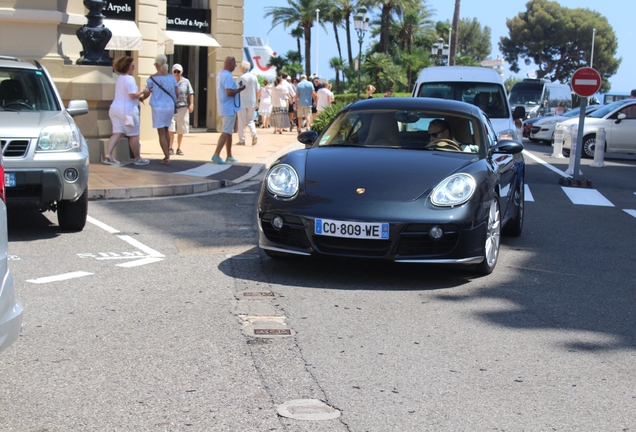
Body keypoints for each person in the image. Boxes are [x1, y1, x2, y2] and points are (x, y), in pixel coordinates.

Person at [103, 56, 149, 166]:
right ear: (127, 67)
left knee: (117, 132)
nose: (134, 68)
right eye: (132, 66)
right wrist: (143, 90)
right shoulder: (130, 79)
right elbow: (132, 95)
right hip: (128, 111)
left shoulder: (119, 78)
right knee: (133, 135)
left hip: (115, 109)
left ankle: (108, 155)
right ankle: (137, 158)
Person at [139, 54, 178, 165]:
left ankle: (167, 157)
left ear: (157, 65)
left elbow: (147, 92)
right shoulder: (171, 77)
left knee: (161, 132)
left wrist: (142, 98)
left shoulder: (152, 78)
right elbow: (176, 93)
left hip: (157, 107)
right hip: (170, 106)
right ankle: (168, 154)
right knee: (167, 130)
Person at [211, 56, 245, 164]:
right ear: (229, 63)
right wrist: (239, 90)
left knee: (229, 131)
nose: (235, 66)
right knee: (226, 131)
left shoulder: (220, 75)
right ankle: (216, 154)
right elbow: (229, 92)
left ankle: (229, 155)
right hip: (229, 108)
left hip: (224, 107)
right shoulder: (228, 76)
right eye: (234, 64)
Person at [168, 63, 194, 156]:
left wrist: (191, 104)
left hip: (183, 108)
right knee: (171, 129)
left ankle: (179, 148)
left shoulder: (186, 82)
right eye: (175, 71)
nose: (176, 73)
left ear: (181, 72)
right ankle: (170, 147)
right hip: (172, 108)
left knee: (181, 129)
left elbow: (191, 93)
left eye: (178, 71)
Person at [236, 60, 260, 146]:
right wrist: (257, 101)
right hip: (252, 101)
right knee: (250, 120)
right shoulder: (254, 77)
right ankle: (254, 134)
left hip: (242, 101)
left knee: (241, 121)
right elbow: (258, 90)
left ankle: (242, 140)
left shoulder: (241, 77)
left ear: (243, 68)